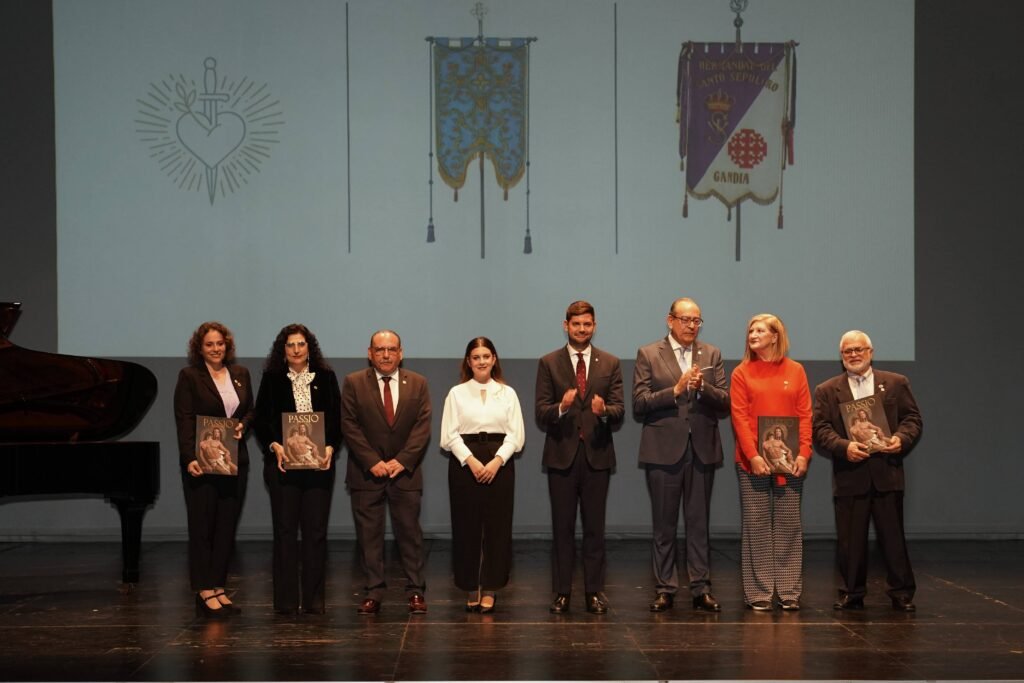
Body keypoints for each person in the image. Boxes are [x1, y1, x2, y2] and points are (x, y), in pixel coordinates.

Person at [812, 330, 923, 612]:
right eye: (848, 351)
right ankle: (851, 592)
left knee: (893, 538)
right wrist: (844, 446)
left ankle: (901, 592)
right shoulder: (827, 390)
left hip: (887, 472)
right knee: (850, 542)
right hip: (850, 475)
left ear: (870, 352)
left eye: (859, 349)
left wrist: (901, 439)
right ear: (841, 356)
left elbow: (912, 419)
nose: (854, 355)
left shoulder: (896, 383)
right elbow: (820, 429)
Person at [633, 298, 729, 612]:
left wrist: (703, 388)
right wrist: (675, 390)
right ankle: (665, 588)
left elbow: (724, 401)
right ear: (670, 320)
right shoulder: (649, 353)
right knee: (664, 524)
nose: (691, 326)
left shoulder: (711, 354)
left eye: (696, 320)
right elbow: (639, 403)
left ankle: (701, 588)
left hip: (701, 448)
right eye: (685, 319)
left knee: (699, 523)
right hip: (663, 450)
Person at [535, 301, 624, 614]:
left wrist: (604, 411)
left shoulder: (610, 362)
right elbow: (541, 411)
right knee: (562, 529)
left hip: (597, 456)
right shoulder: (549, 362)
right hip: (562, 456)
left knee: (594, 530)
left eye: (587, 324)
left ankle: (593, 592)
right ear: (566, 326)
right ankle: (562, 592)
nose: (582, 329)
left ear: (594, 326)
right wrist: (561, 407)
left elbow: (619, 410)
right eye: (576, 324)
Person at [341, 330, 432, 616]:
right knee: (369, 537)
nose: (386, 354)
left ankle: (416, 591)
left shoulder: (418, 383)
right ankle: (374, 592)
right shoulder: (353, 382)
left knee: (410, 535)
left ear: (401, 353)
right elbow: (349, 425)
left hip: (405, 474)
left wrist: (402, 461)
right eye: (379, 349)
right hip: (366, 474)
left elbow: (422, 427)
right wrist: (372, 461)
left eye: (392, 349)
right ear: (370, 353)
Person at [253, 324, 341, 615]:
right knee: (285, 532)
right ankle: (287, 601)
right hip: (283, 468)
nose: (296, 349)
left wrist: (330, 447)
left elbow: (337, 420)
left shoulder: (326, 377)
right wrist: (275, 445)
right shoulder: (272, 379)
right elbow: (261, 420)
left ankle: (314, 601)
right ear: (283, 350)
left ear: (309, 347)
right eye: (290, 345)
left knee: (316, 533)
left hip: (319, 468)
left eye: (301, 344)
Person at [730, 313, 812, 611]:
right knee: (757, 525)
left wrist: (804, 453)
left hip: (790, 463)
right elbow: (739, 418)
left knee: (789, 523)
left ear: (775, 336)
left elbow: (805, 414)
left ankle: (789, 591)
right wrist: (753, 455)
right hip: (751, 461)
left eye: (760, 330)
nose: (752, 334)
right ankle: (759, 592)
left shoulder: (796, 370)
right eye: (750, 330)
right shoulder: (741, 372)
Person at [173, 321, 252, 618]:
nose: (216, 349)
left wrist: (244, 425)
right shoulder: (189, 376)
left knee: (225, 527)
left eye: (220, 343)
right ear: (200, 348)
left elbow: (250, 410)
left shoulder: (240, 374)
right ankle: (203, 589)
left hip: (234, 461)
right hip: (202, 463)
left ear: (227, 345)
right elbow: (184, 419)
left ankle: (218, 586)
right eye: (209, 344)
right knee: (202, 526)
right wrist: (188, 457)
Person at [440, 337, 525, 613]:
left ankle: (490, 588)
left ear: (494, 359)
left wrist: (497, 461)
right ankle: (470, 586)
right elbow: (449, 435)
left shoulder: (508, 393)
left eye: (486, 356)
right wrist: (472, 461)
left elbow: (516, 435)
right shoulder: (456, 393)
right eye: (476, 357)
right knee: (466, 527)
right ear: (468, 361)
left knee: (498, 528)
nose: (481, 361)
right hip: (465, 463)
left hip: (500, 463)